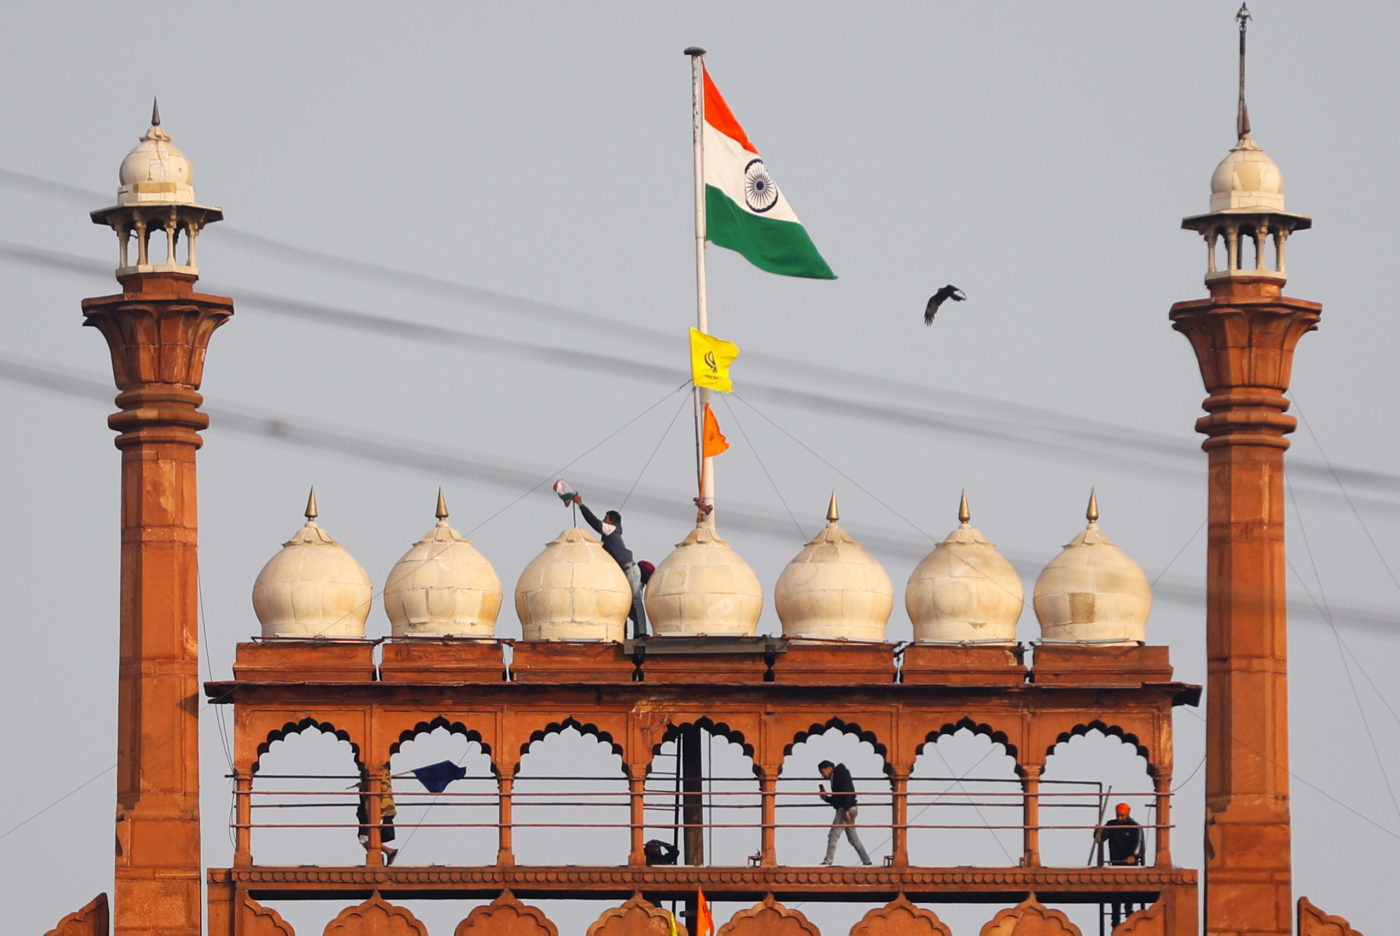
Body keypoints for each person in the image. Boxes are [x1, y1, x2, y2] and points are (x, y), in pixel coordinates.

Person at [574, 493, 648, 638]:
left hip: (630, 570)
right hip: (626, 571)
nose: (603, 520)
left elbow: (594, 522)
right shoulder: (612, 533)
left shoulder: (611, 529)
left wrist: (581, 505)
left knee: (636, 601)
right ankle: (630, 634)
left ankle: (642, 633)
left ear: (611, 521)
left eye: (605, 518)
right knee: (627, 605)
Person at [817, 759, 872, 866]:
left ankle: (828, 861)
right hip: (849, 807)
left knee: (833, 835)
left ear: (829, 768)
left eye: (823, 772)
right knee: (853, 838)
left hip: (845, 808)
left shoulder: (840, 773)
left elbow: (847, 792)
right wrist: (825, 798)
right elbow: (838, 798)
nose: (822, 776)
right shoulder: (837, 775)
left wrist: (846, 810)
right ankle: (867, 861)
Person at [356, 770, 398, 866]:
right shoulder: (382, 780)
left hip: (378, 811)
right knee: (365, 837)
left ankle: (388, 851)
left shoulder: (379, 781)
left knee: (366, 838)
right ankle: (388, 851)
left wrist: (364, 785)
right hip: (373, 812)